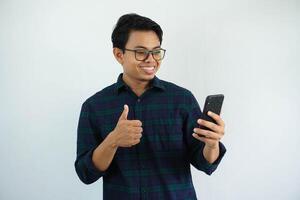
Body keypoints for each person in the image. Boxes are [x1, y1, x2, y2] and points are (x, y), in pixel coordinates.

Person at [75, 13, 226, 200]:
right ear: (119, 54)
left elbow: (205, 164)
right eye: (140, 52)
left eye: (156, 51)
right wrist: (112, 141)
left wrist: (212, 145)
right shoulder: (95, 106)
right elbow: (85, 173)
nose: (151, 59)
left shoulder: (182, 99)